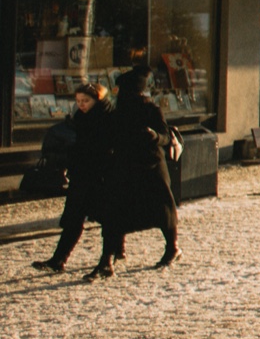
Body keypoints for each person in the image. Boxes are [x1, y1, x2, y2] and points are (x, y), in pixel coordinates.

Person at [95, 67, 180, 277]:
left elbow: (166, 136)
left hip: (151, 165)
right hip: (125, 165)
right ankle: (107, 258)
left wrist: (154, 136)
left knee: (163, 210)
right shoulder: (118, 112)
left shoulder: (151, 109)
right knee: (114, 210)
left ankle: (172, 247)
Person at [31, 84, 114, 274]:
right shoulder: (80, 117)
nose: (82, 105)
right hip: (81, 176)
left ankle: (107, 260)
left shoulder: (108, 117)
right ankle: (58, 260)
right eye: (78, 101)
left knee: (108, 220)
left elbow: (106, 147)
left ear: (97, 99)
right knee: (73, 219)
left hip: (100, 177)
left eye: (86, 101)